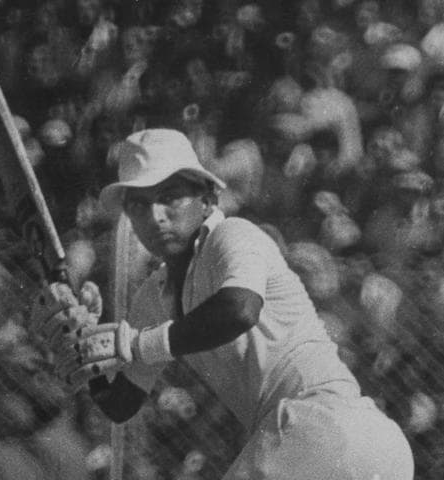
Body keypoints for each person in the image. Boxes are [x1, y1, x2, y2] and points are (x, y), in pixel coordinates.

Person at [32, 128, 414, 479]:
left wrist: (133, 345)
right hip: (354, 449)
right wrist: (86, 355)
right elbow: (120, 405)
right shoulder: (154, 296)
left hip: (325, 424)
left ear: (208, 197)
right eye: (138, 204)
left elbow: (239, 310)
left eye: (169, 197)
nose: (154, 216)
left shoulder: (234, 235)